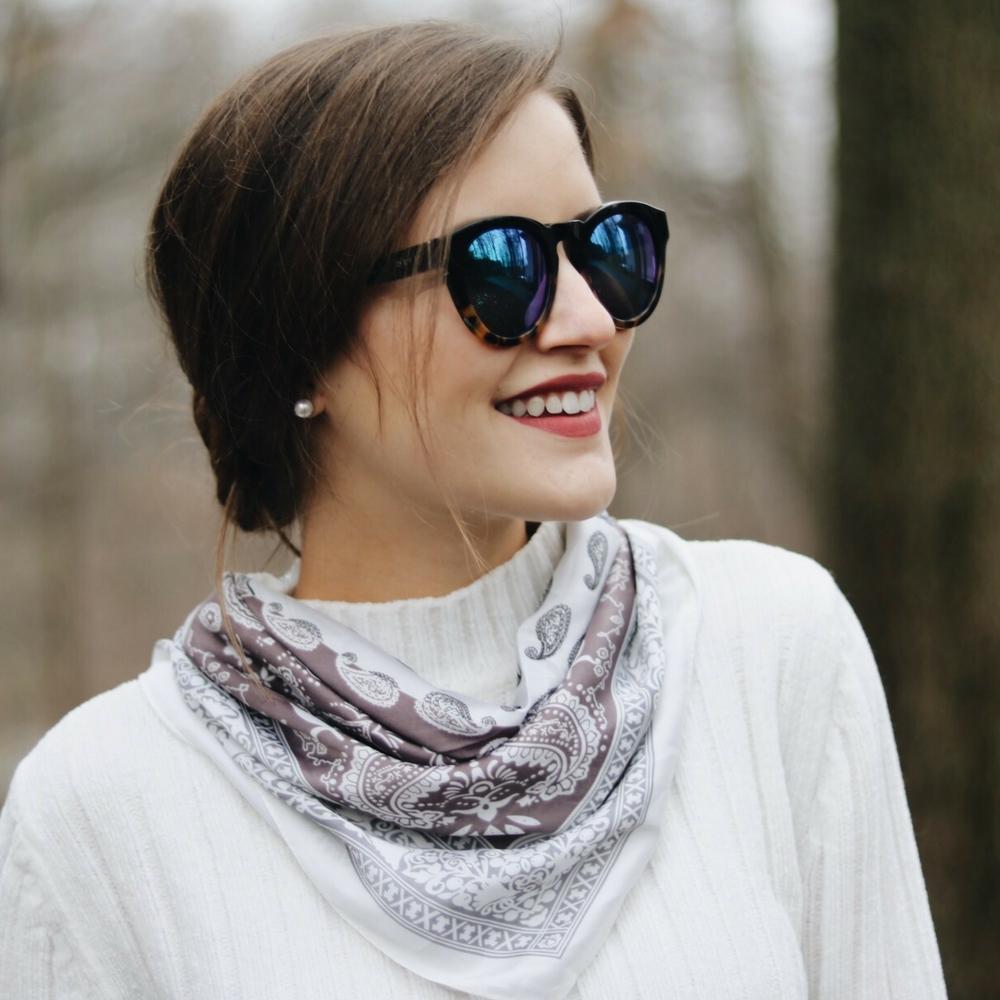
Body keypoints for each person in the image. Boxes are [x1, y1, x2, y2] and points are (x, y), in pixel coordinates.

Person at [0, 18, 948, 1000]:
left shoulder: (771, 648)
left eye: (607, 251)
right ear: (300, 347)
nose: (589, 320)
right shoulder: (100, 815)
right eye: (501, 267)